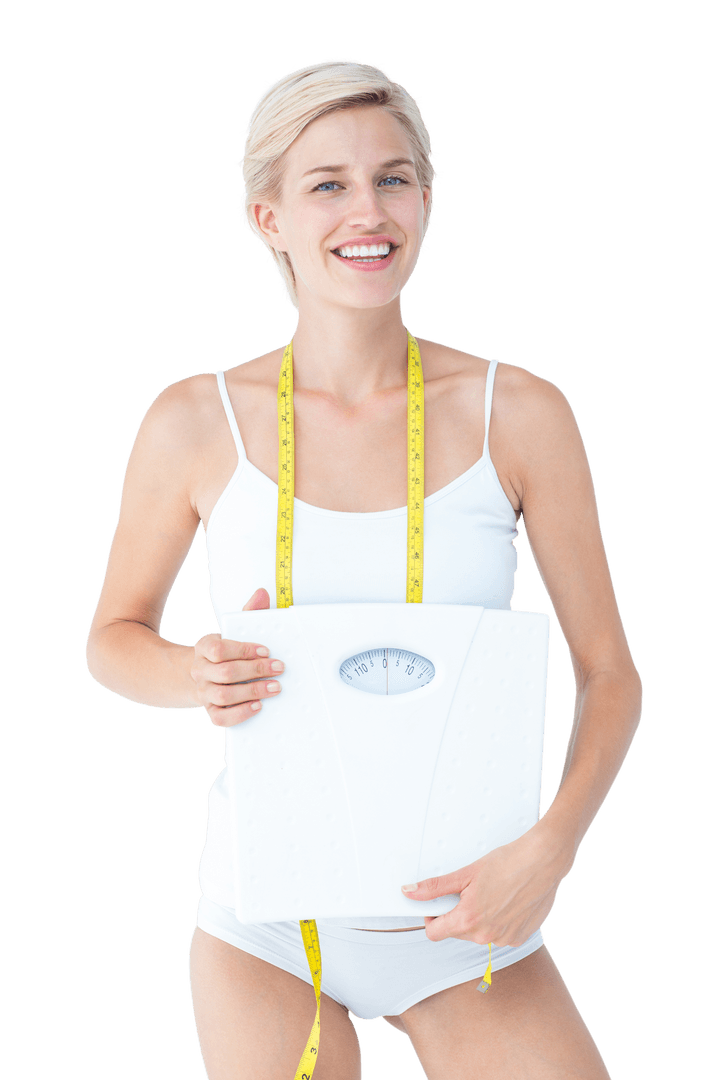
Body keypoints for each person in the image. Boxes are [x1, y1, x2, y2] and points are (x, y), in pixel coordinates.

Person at [85, 57, 643, 1079]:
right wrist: (194, 672)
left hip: (470, 925)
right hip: (269, 926)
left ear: (428, 200)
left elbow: (612, 673)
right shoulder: (193, 421)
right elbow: (112, 639)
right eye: (327, 183)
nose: (367, 210)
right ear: (266, 215)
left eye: (394, 177)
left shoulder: (518, 414)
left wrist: (551, 850)